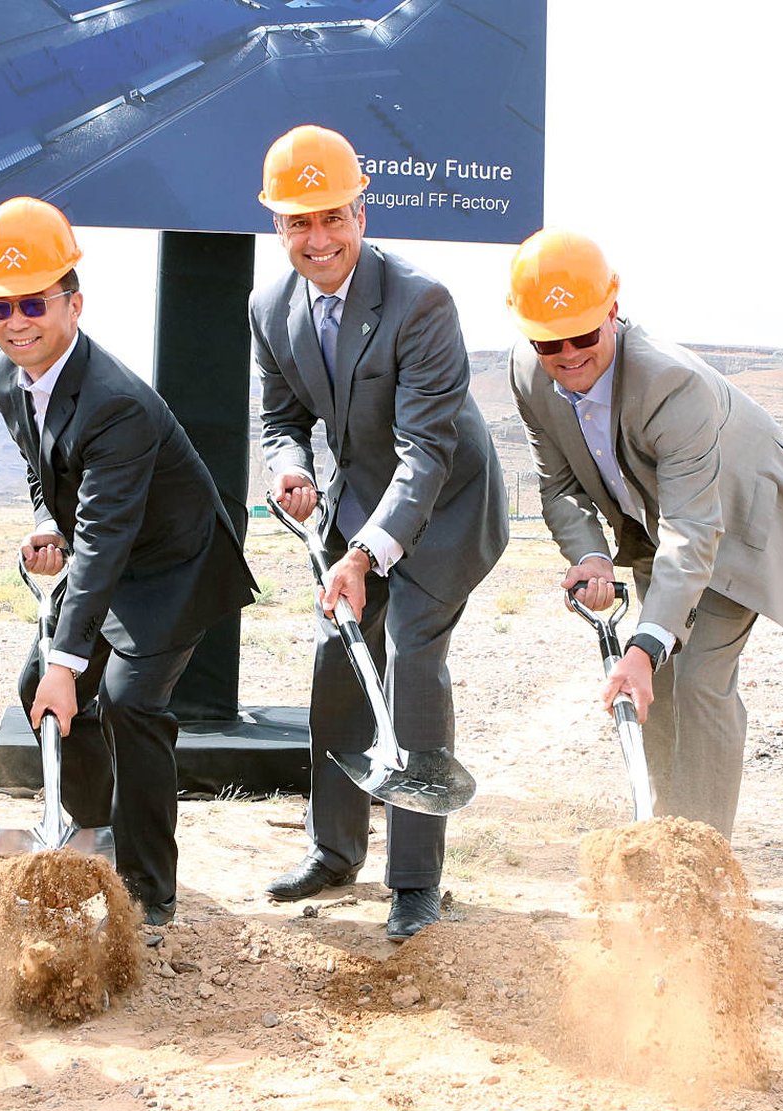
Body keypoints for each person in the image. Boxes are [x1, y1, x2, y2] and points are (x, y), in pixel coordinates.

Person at [504, 228, 783, 839]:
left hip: (737, 522)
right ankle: (667, 830)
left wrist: (644, 646)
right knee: (655, 679)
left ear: (612, 309)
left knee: (696, 677)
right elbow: (557, 486)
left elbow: (694, 531)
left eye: (584, 333)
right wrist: (591, 556)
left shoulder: (671, 383)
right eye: (548, 341)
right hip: (654, 528)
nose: (568, 354)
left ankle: (702, 859)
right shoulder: (529, 373)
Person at [249, 125, 509, 941]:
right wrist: (288, 468)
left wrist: (365, 553)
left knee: (410, 658)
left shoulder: (419, 300)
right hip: (358, 497)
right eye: (299, 222)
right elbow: (280, 417)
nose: (318, 238)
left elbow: (426, 450)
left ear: (361, 209)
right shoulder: (269, 307)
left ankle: (415, 882)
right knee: (338, 665)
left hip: (445, 507)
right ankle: (333, 850)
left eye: (332, 217)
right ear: (277, 225)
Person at [0, 197, 257, 926]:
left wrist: (71, 663)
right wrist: (46, 519)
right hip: (108, 554)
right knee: (40, 682)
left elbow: (104, 537)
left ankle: (147, 897)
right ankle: (89, 835)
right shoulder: (7, 378)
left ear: (73, 303)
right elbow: (47, 473)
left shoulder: (116, 402)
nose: (17, 322)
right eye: (0, 307)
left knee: (131, 703)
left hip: (169, 568)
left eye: (33, 302)